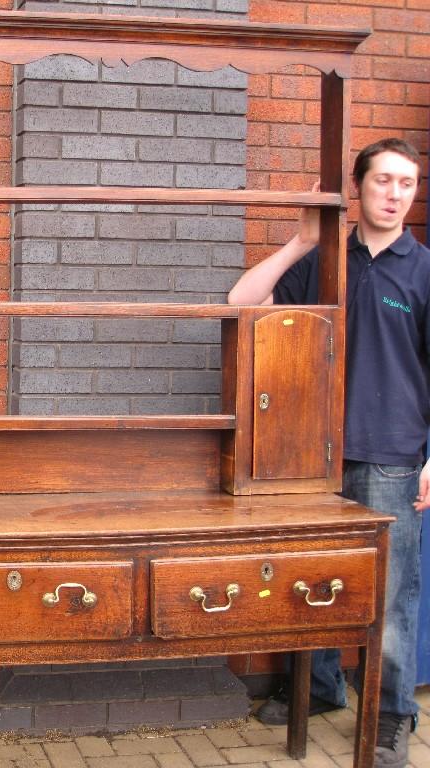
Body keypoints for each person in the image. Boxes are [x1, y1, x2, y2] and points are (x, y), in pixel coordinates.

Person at [228, 137, 428, 768]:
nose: (395, 196)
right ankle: (318, 690)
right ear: (357, 190)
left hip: (392, 455)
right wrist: (301, 243)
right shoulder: (327, 262)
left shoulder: (423, 272)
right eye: (383, 183)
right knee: (311, 578)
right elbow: (240, 305)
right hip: (314, 455)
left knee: (390, 597)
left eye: (407, 184)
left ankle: (392, 714)